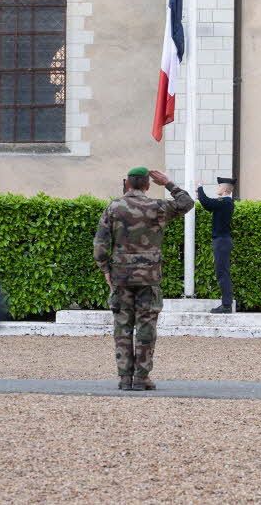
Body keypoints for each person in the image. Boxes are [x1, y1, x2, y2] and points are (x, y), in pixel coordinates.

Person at [93, 166, 194, 391]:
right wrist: (168, 183)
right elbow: (186, 203)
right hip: (149, 277)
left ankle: (124, 378)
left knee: (122, 328)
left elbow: (100, 244)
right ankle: (141, 377)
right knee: (146, 327)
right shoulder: (157, 207)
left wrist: (105, 269)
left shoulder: (114, 207)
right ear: (148, 185)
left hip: (121, 276)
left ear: (127, 183)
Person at [196, 176, 237, 314]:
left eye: (219, 186)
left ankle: (226, 305)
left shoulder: (225, 201)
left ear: (224, 189)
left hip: (221, 241)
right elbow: (208, 204)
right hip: (222, 241)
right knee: (222, 272)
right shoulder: (225, 203)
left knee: (222, 273)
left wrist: (200, 187)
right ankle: (226, 304)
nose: (217, 188)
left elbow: (206, 202)